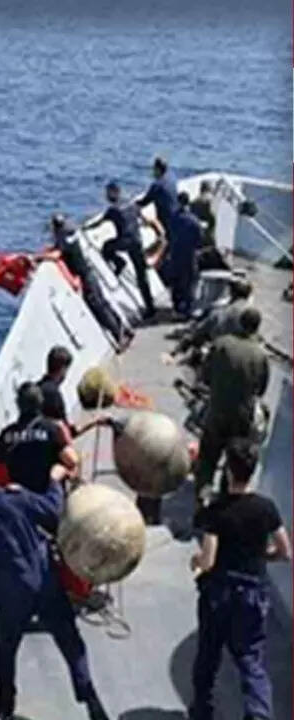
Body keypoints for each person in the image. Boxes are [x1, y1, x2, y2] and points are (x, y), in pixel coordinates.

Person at [0, 478, 109, 720]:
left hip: (12, 596)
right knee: (71, 643)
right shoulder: (12, 500)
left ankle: (5, 704)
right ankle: (90, 697)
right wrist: (53, 483)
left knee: (6, 650)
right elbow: (52, 510)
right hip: (45, 582)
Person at [190, 439, 292, 720]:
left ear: (229, 470)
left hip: (219, 594)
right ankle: (258, 714)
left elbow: (208, 561)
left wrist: (196, 561)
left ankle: (202, 711)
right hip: (252, 593)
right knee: (250, 659)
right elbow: (286, 551)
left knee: (208, 654)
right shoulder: (267, 508)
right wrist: (263, 555)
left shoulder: (217, 510)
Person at [193, 307, 269, 512]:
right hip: (243, 416)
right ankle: (227, 501)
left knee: (208, 457)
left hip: (217, 411)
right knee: (234, 459)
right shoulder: (260, 354)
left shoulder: (221, 345)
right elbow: (261, 389)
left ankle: (202, 499)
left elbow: (205, 376)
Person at [0, 383, 81, 516]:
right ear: (40, 403)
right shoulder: (51, 429)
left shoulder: (8, 434)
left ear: (18, 405)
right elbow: (72, 460)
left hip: (18, 502)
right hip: (48, 501)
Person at [43, 213, 134, 351]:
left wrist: (37, 257)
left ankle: (119, 336)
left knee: (99, 308)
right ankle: (124, 329)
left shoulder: (64, 239)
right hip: (89, 273)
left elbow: (57, 254)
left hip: (85, 277)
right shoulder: (71, 233)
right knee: (104, 303)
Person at [83, 181, 166, 320]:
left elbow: (99, 223)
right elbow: (146, 219)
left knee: (106, 247)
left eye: (107, 194)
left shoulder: (113, 210)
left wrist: (85, 228)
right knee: (142, 276)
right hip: (137, 242)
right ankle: (150, 307)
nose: (106, 197)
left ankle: (119, 262)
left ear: (112, 194)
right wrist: (158, 233)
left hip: (124, 242)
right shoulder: (131, 204)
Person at [161, 191, 204, 319]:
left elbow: (168, 235)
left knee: (176, 282)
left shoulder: (173, 218)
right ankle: (187, 309)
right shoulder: (194, 220)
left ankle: (176, 308)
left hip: (175, 254)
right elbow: (199, 239)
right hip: (189, 255)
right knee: (190, 282)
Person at [137, 156, 178, 232]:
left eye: (154, 169)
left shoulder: (157, 185)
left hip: (165, 223)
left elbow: (143, 202)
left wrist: (130, 205)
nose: (153, 171)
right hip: (175, 217)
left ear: (158, 170)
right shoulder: (172, 179)